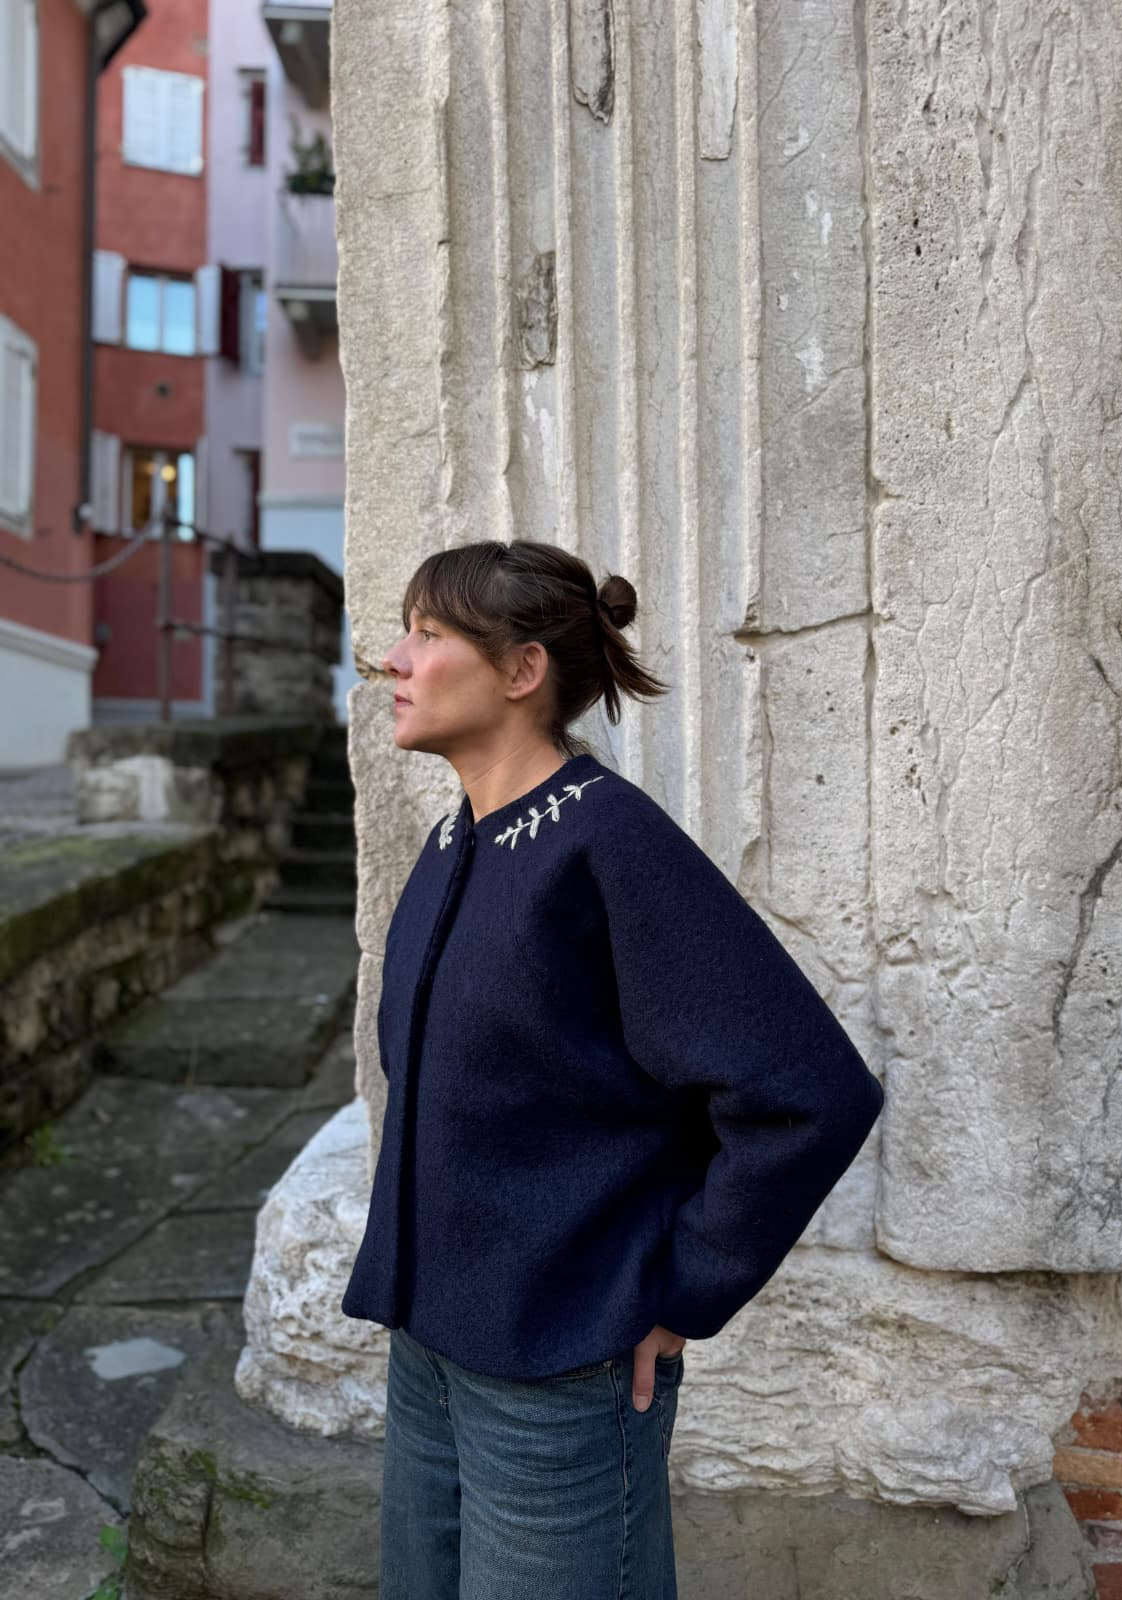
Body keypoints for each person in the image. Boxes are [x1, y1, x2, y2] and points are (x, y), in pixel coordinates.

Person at [340, 538, 886, 1600]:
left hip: (558, 1380)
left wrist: (684, 1291)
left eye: (429, 633)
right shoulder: (457, 842)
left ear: (522, 670)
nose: (392, 659)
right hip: (428, 1357)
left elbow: (810, 1093)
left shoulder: (611, 845)